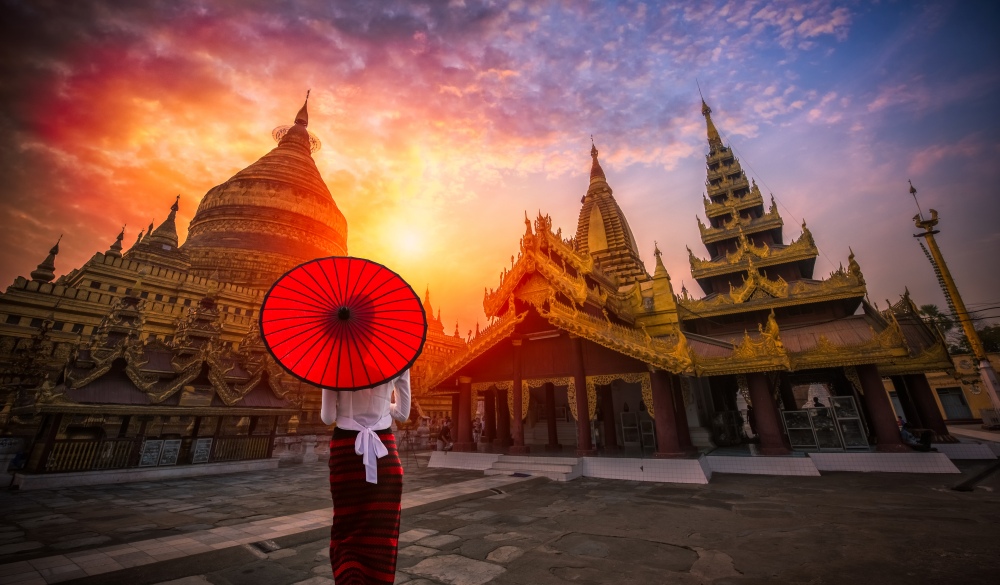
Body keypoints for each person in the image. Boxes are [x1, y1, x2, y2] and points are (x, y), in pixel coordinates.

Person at [321, 369, 411, 585]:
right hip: (385, 452)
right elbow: (403, 413)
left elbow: (328, 417)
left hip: (347, 452)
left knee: (347, 528)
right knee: (380, 532)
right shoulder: (398, 361)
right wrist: (382, 407)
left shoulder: (335, 362)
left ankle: (350, 579)